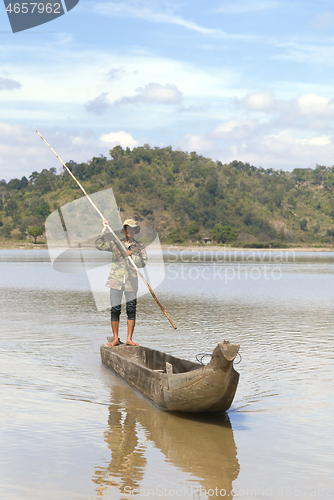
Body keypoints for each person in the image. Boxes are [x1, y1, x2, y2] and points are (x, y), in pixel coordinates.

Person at [95, 218, 148, 346]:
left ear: (135, 231)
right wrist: (104, 229)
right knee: (115, 309)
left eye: (132, 228)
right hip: (115, 281)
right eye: (127, 228)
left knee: (131, 309)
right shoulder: (116, 243)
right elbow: (99, 244)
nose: (130, 230)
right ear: (124, 230)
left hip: (131, 282)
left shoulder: (139, 246)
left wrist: (131, 255)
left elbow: (143, 262)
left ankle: (129, 339)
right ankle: (115, 339)